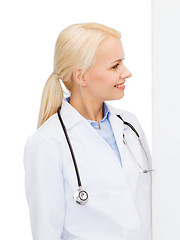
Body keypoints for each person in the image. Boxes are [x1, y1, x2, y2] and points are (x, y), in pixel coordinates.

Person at [23, 22, 152, 240]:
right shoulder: (47, 142)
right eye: (115, 66)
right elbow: (46, 232)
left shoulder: (130, 125)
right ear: (81, 77)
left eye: (123, 63)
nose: (127, 73)